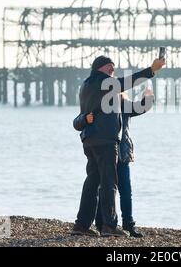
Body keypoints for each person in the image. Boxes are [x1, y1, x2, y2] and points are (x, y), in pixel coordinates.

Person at [71, 55, 165, 237]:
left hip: (90, 141)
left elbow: (129, 108)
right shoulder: (103, 82)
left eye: (113, 67)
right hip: (105, 141)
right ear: (99, 68)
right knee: (108, 183)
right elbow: (127, 82)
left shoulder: (86, 85)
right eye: (109, 67)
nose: (112, 70)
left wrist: (147, 102)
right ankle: (109, 226)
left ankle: (81, 226)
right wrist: (151, 70)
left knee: (92, 183)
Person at [76, 89, 154, 237]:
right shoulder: (101, 106)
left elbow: (140, 107)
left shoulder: (123, 105)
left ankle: (122, 224)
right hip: (108, 153)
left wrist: (148, 97)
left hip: (120, 154)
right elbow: (82, 122)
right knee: (111, 189)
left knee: (114, 189)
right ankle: (106, 224)